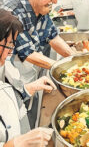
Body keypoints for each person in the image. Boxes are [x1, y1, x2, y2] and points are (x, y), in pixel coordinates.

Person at [2, 0, 74, 128]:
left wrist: (74, 58)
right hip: (13, 77)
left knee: (30, 112)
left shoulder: (41, 7)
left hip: (30, 73)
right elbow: (26, 53)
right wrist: (65, 67)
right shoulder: (12, 12)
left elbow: (52, 36)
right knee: (16, 122)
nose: (55, 1)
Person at [0, 9, 56, 147]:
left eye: (12, 45)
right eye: (7, 45)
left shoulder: (3, 66)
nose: (9, 53)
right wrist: (17, 143)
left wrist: (28, 89)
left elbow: (6, 95)